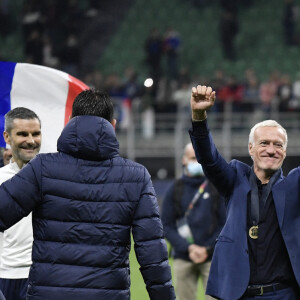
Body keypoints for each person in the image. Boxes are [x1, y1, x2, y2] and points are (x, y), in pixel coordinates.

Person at [0, 89, 176, 300]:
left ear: (71, 121)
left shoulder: (42, 168)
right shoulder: (136, 176)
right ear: (113, 125)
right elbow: (152, 255)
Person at [188, 84, 300, 300]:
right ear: (251, 148)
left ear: (284, 152)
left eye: (278, 145)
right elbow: (208, 158)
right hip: (238, 295)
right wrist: (199, 117)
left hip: (284, 294)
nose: (271, 150)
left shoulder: (294, 185)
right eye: (264, 143)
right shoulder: (234, 179)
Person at [162, 143, 225, 300]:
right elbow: (166, 225)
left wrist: (207, 249)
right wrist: (188, 248)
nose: (196, 162)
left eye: (199, 158)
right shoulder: (174, 189)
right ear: (184, 160)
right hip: (183, 257)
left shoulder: (217, 188)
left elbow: (225, 223)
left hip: (212, 258)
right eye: (192, 158)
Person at [0, 107, 41, 300]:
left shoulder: (52, 177)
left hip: (41, 275)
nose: (31, 140)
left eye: (36, 133)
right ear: (7, 137)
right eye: (23, 134)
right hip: (5, 276)